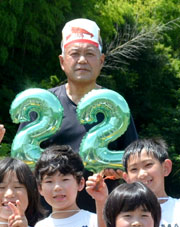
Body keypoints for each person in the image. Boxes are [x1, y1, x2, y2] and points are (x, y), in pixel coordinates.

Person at [20, 18, 138, 210]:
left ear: (101, 61)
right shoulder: (42, 105)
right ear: (62, 61)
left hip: (101, 218)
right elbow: (21, 165)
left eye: (90, 54)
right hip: (47, 220)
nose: (82, 60)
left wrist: (118, 170)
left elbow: (135, 163)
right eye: (74, 53)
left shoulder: (115, 107)